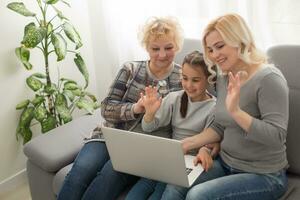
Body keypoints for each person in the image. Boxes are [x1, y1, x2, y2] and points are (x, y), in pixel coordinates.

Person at [161, 13, 289, 200]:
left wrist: (236, 112)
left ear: (240, 40)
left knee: (198, 196)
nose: (215, 55)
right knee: (176, 184)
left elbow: (276, 137)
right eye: (210, 49)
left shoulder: (269, 79)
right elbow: (220, 126)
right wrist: (187, 144)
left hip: (265, 175)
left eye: (220, 46)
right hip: (226, 162)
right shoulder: (223, 76)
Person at [56, 16, 185, 200]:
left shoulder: (183, 77)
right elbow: (106, 107)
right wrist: (137, 108)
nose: (162, 55)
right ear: (146, 47)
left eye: (168, 48)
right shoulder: (130, 69)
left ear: (177, 46)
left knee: (107, 178)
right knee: (80, 172)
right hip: (108, 136)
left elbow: (183, 121)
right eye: (155, 49)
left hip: (140, 148)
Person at [125, 51, 217, 200]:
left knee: (159, 194)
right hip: (167, 159)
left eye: (195, 80)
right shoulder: (175, 98)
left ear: (209, 79)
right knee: (138, 192)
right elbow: (148, 128)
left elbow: (211, 139)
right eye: (185, 78)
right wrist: (149, 113)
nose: (188, 85)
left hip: (188, 163)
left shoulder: (213, 107)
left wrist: (205, 150)